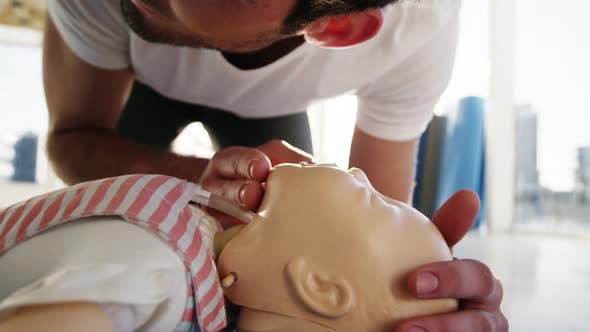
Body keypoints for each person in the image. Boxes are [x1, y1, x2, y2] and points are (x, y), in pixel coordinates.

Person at [42, 0, 507, 330]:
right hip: (140, 88)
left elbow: (373, 226)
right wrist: (193, 182)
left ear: (337, 26)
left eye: (361, 189)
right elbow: (71, 139)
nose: (354, 173)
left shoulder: (416, 34)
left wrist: (404, 296)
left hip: (271, 120)